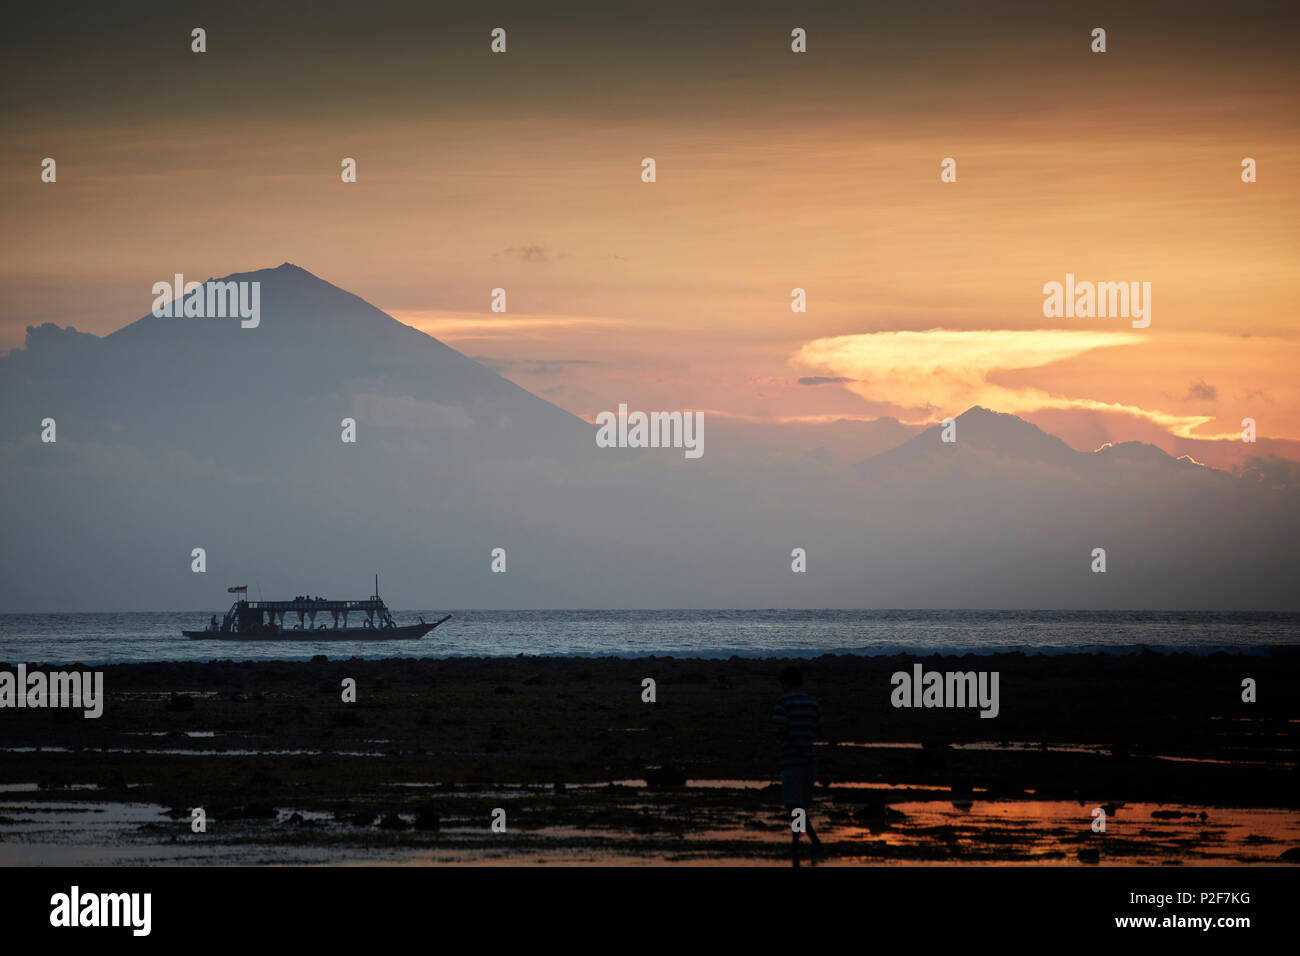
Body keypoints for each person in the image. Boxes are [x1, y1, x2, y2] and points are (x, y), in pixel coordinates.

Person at [772, 666, 823, 862]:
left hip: (792, 759)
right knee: (800, 805)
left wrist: (792, 741)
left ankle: (811, 841)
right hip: (809, 759)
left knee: (794, 805)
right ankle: (798, 842)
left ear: (784, 683)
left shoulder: (783, 702)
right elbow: (820, 729)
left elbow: (780, 728)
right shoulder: (812, 703)